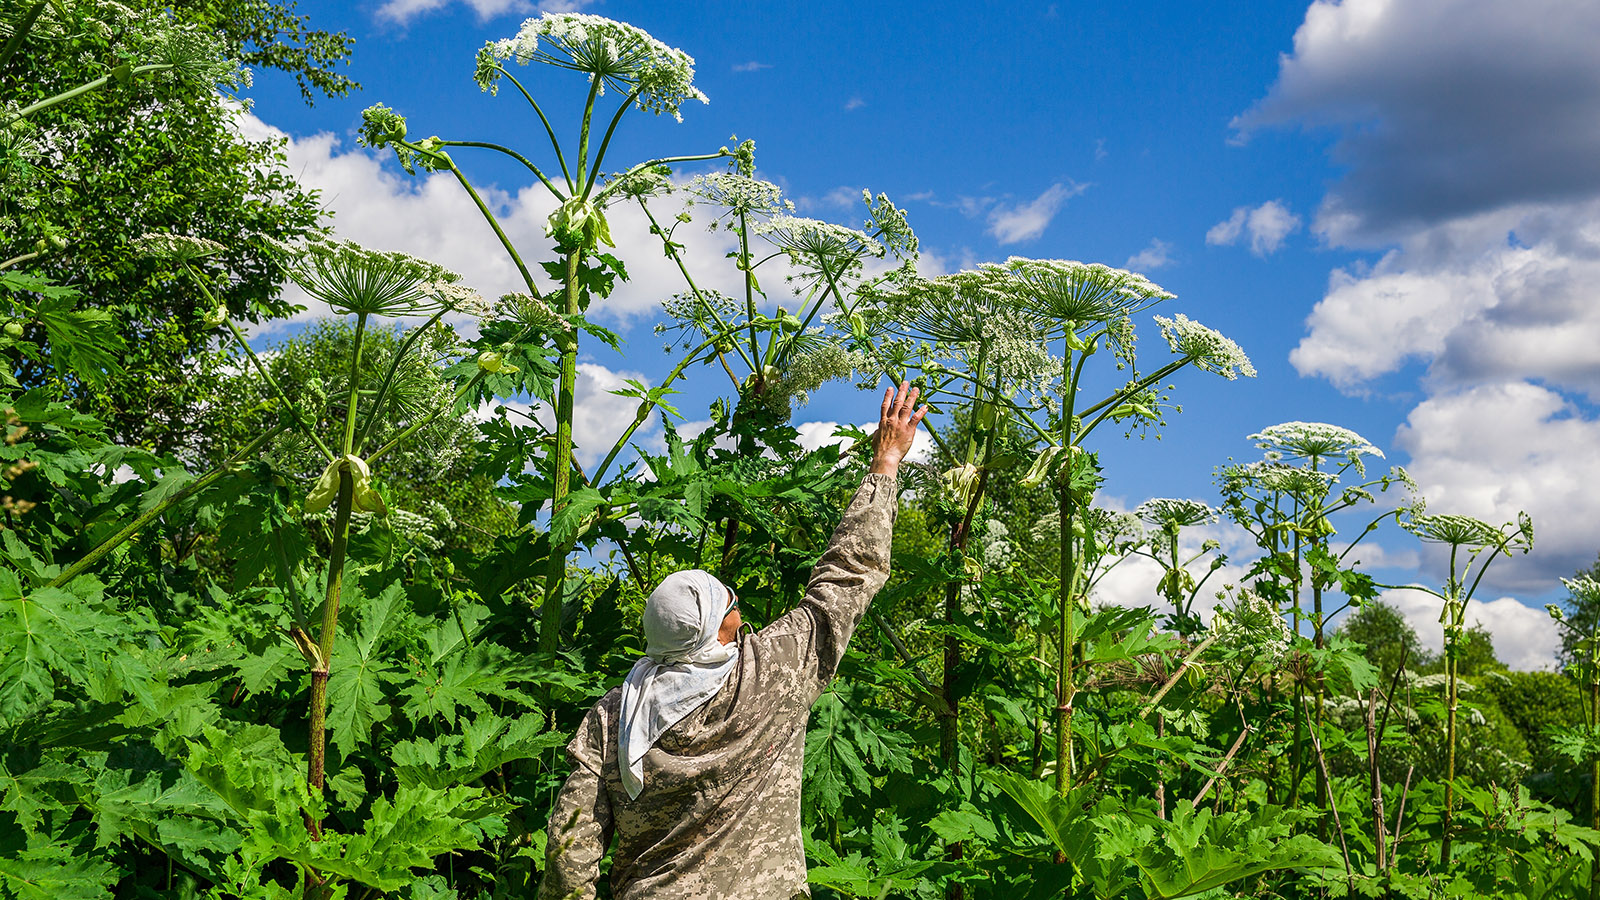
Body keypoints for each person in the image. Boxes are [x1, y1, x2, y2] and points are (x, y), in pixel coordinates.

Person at [538, 382, 928, 900]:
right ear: (724, 627)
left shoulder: (612, 720)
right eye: (732, 603)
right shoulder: (772, 673)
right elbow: (847, 575)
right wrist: (885, 464)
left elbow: (571, 849)